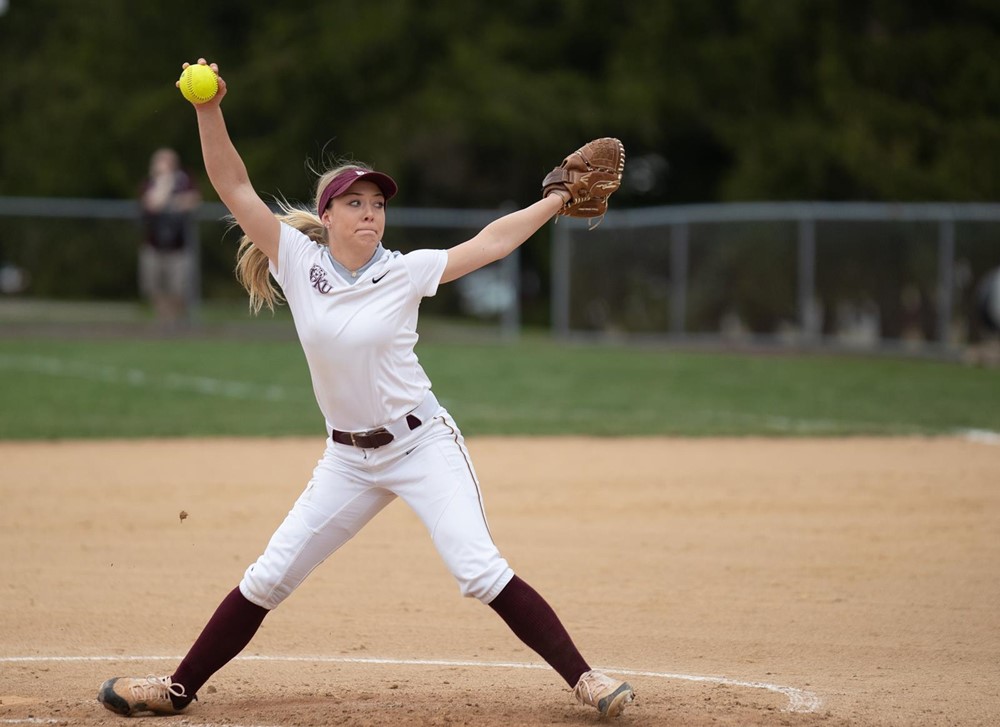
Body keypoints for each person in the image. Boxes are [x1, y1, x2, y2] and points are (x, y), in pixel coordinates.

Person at [98, 59, 634, 720]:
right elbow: (232, 185)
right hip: (347, 460)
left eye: (378, 203)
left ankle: (586, 678)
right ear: (327, 215)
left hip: (421, 444)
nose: (371, 213)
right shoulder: (296, 261)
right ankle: (177, 688)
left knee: (477, 567)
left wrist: (555, 199)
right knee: (269, 575)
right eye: (356, 202)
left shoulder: (406, 272)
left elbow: (491, 243)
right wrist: (208, 108)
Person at [138, 147, 201, 325]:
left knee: (178, 289)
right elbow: (153, 204)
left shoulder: (184, 181)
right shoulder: (149, 183)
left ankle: (176, 323)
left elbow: (193, 200)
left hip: (178, 246)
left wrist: (172, 200)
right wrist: (164, 183)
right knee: (155, 287)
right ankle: (163, 322)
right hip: (153, 245)